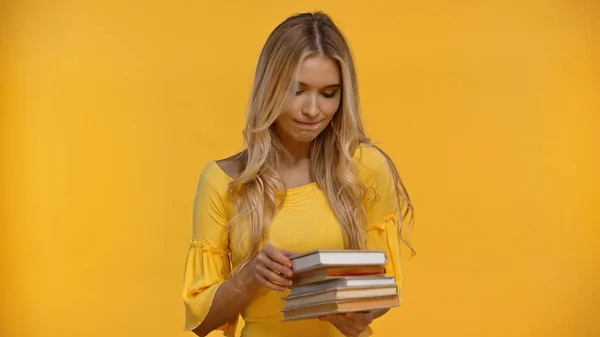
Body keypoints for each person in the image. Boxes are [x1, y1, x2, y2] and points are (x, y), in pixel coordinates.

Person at [181, 11, 414, 337]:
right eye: (298, 90)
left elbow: (385, 286)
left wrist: (361, 315)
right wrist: (249, 278)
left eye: (328, 93)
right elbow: (201, 321)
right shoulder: (225, 182)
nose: (312, 110)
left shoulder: (366, 169)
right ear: (270, 87)